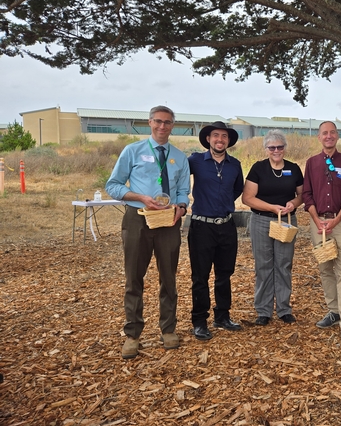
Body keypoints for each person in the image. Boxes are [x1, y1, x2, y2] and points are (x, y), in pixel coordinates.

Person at [105, 106, 190, 359]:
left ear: (173, 125)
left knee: (169, 277)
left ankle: (168, 329)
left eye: (168, 122)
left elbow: (184, 190)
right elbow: (113, 185)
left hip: (168, 220)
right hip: (138, 219)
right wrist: (140, 196)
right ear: (149, 123)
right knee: (134, 277)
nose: (162, 127)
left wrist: (182, 207)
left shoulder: (179, 157)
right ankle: (132, 334)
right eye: (158, 122)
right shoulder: (133, 151)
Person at [303, 121, 341, 347]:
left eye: (332, 132)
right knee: (325, 269)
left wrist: (336, 219)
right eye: (324, 133)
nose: (328, 136)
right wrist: (317, 219)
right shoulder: (312, 163)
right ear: (319, 137)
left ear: (337, 136)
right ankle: (333, 311)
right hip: (318, 223)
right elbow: (307, 194)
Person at [187, 121, 244, 340]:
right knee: (200, 276)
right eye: (216, 136)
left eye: (224, 137)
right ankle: (199, 321)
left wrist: (223, 203)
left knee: (225, 274)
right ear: (208, 139)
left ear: (228, 141)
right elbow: (179, 180)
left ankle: (222, 316)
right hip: (202, 226)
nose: (220, 140)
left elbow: (237, 188)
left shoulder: (234, 164)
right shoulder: (195, 161)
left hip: (227, 226)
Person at [242, 130, 304, 325]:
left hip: (286, 221)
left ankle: (284, 309)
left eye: (280, 147)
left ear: (285, 148)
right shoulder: (258, 169)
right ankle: (263, 310)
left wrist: (293, 204)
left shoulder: (294, 169)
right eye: (272, 147)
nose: (276, 150)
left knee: (284, 264)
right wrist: (271, 207)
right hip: (261, 220)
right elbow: (247, 198)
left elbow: (302, 195)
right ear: (266, 149)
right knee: (263, 265)